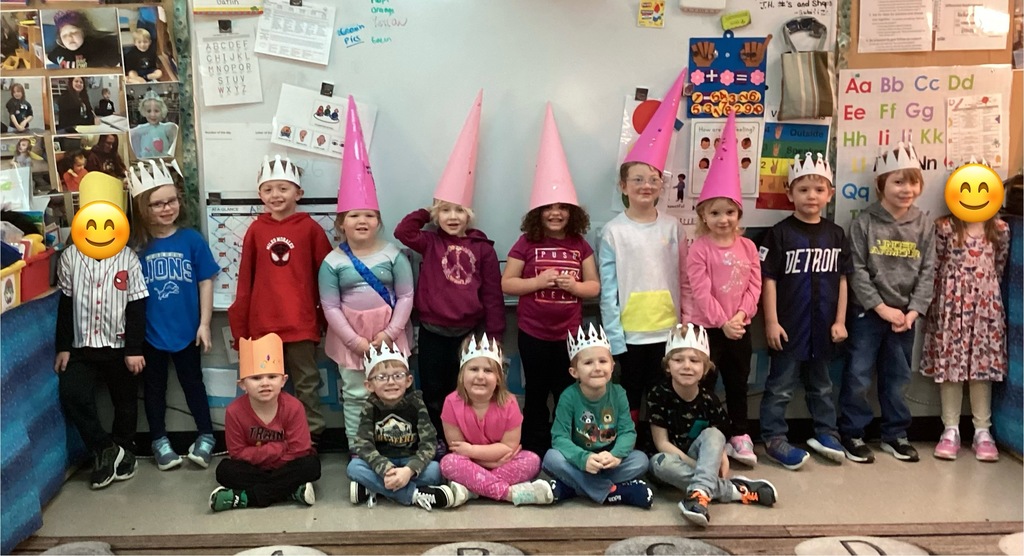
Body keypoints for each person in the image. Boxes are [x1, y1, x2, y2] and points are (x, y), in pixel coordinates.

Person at [394, 91, 504, 436]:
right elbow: (402, 230)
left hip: (469, 332)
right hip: (432, 331)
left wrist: (494, 335)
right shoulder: (429, 240)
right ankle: (437, 438)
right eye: (446, 210)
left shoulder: (482, 247)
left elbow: (492, 295)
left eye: (459, 210)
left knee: (468, 390)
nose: (452, 217)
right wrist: (429, 210)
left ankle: (465, 435)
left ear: (469, 214)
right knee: (434, 390)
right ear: (437, 214)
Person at [501, 105, 599, 455]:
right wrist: (539, 281)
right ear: (537, 213)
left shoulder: (579, 245)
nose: (555, 213)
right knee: (537, 392)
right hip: (533, 334)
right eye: (548, 207)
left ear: (572, 213)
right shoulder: (527, 243)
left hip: (570, 337)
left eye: (562, 207)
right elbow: (507, 283)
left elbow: (594, 287)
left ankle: (569, 447)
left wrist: (575, 288)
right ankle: (537, 448)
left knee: (568, 392)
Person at [599, 70, 691, 439]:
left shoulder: (673, 227)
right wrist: (614, 337)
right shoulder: (613, 231)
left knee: (663, 391)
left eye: (653, 179)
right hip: (630, 334)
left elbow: (683, 278)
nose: (646, 185)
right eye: (637, 179)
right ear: (623, 186)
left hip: (668, 330)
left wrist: (683, 327)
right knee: (630, 392)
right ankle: (633, 444)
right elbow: (608, 289)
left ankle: (662, 443)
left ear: (661, 186)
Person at [319, 97, 412, 453]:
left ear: (378, 221)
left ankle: (395, 445)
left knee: (394, 388)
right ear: (341, 223)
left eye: (369, 215)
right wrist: (356, 342)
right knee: (357, 393)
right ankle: (360, 450)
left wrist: (390, 333)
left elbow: (405, 295)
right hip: (351, 338)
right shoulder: (333, 261)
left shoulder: (393, 255)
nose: (362, 222)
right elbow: (329, 306)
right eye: (354, 216)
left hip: (390, 335)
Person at [228, 155, 333, 447]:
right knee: (265, 387)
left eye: (283, 188)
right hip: (263, 327)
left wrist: (326, 321)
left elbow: (326, 278)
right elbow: (245, 282)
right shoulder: (256, 231)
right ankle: (273, 437)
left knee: (307, 383)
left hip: (300, 323)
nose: (276, 195)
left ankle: (311, 438)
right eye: (269, 189)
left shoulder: (311, 229)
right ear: (260, 194)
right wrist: (241, 331)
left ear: (298, 193)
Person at [840, 142, 935, 464]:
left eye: (912, 182)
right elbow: (857, 271)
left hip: (905, 319)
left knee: (897, 379)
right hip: (869, 314)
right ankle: (853, 433)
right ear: (881, 184)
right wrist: (881, 307)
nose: (906, 189)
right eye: (898, 181)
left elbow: (928, 271)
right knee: (858, 375)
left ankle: (895, 435)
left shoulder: (924, 224)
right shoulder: (864, 223)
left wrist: (913, 311)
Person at [54, 172, 148, 490]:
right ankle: (104, 449)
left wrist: (134, 348)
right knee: (73, 394)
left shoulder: (129, 260)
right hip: (81, 347)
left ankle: (123, 450)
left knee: (125, 401)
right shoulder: (69, 258)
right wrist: (63, 346)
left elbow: (137, 307)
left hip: (119, 345)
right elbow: (65, 305)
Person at [758, 153, 850, 470]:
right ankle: (773, 437)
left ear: (830, 194)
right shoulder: (779, 234)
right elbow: (767, 280)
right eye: (803, 189)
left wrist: (840, 321)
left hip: (823, 328)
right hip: (789, 326)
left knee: (823, 386)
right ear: (789, 193)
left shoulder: (836, 234)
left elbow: (842, 280)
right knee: (780, 386)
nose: (811, 196)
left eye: (819, 190)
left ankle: (826, 432)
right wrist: (771, 321)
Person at [128, 160, 219, 471]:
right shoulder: (135, 246)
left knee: (194, 382)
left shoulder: (191, 239)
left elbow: (205, 280)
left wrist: (205, 324)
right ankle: (158, 440)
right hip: (149, 334)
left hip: (187, 330)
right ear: (143, 207)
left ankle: (206, 436)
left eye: (171, 201)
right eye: (157, 203)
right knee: (153, 389)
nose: (166, 208)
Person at [687, 110, 761, 466]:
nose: (723, 219)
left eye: (729, 212)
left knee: (738, 382)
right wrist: (723, 323)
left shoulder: (747, 248)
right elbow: (700, 290)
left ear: (739, 214)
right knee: (703, 385)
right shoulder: (698, 248)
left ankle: (739, 435)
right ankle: (707, 435)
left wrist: (741, 316)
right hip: (708, 330)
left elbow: (755, 286)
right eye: (715, 213)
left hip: (739, 327)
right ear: (703, 216)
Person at [648, 324, 777, 527]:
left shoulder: (709, 399)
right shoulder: (658, 395)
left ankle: (698, 496)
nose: (687, 366)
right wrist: (701, 469)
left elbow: (718, 440)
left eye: (694, 360)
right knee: (658, 462)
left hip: (700, 458)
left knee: (714, 433)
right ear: (667, 366)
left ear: (705, 368)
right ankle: (732, 490)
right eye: (678, 360)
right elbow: (661, 443)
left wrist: (721, 458)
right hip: (673, 462)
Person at [922, 209, 1008, 461]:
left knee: (983, 367)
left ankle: (983, 430)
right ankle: (950, 429)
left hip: (985, 305)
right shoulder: (945, 227)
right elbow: (935, 266)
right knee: (952, 365)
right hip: (950, 303)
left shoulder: (999, 229)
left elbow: (999, 266)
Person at [346, 342, 469, 510]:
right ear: (369, 385)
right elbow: (363, 444)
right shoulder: (370, 407)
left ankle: (374, 488)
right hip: (383, 463)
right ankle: (413, 495)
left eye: (398, 376)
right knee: (354, 467)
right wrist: (385, 468)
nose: (391, 382)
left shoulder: (416, 404)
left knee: (436, 471)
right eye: (381, 377)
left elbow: (429, 444)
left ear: (408, 380)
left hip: (410, 461)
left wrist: (409, 471)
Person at [542, 324, 653, 508]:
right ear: (574, 372)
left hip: (608, 462)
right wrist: (583, 458)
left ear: (612, 366)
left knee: (641, 460)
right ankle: (613, 492)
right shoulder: (569, 396)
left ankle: (573, 487)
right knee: (551, 458)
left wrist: (616, 455)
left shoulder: (618, 394)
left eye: (603, 361)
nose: (597, 368)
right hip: (579, 461)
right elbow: (559, 438)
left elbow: (628, 432)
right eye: (588, 363)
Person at [209, 333, 321, 511]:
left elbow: (300, 449)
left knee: (311, 465)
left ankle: (248, 497)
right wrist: (277, 449)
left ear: (283, 380)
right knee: (225, 470)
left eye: (272, 377)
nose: (265, 383)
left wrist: (263, 455)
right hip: (256, 468)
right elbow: (237, 453)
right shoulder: (234, 412)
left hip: (285, 466)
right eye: (256, 378)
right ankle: (289, 490)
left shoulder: (293, 407)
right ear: (242, 384)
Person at [439, 333, 552, 505]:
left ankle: (473, 490)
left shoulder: (509, 403)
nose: (480, 376)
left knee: (532, 461)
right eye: (474, 369)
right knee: (448, 463)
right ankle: (510, 494)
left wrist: (471, 451)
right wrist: (492, 458)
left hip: (496, 465)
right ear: (462, 375)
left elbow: (509, 447)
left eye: (488, 370)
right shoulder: (450, 402)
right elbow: (457, 450)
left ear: (498, 378)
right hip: (470, 464)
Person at [46, 10, 121, 69]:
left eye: (74, 32)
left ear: (83, 32)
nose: (69, 37)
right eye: (64, 35)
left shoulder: (98, 47)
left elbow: (117, 61)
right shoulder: (58, 51)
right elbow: (49, 58)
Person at [129, 91, 177, 159]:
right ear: (144, 112)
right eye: (149, 111)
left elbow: (175, 138)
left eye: (156, 111)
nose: (152, 115)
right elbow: (129, 135)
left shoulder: (166, 128)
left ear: (162, 111)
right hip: (146, 162)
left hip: (164, 162)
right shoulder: (141, 129)